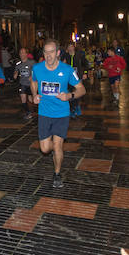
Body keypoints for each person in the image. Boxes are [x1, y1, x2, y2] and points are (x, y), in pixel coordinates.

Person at [31, 39, 86, 188]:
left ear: (58, 53)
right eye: (46, 52)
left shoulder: (67, 70)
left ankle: (57, 174)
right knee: (44, 148)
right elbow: (34, 81)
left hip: (61, 114)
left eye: (51, 52)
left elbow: (82, 89)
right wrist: (34, 94)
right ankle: (54, 158)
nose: (48, 55)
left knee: (57, 146)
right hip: (44, 113)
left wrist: (69, 96)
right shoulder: (37, 68)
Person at [63, 42, 87, 116]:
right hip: (69, 77)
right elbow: (62, 65)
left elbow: (85, 64)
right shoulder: (65, 56)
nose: (70, 48)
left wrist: (85, 73)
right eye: (69, 47)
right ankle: (73, 108)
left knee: (77, 92)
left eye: (71, 46)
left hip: (78, 76)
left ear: (74, 47)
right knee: (70, 92)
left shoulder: (80, 55)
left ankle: (76, 107)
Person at [15, 47, 36, 120]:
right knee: (23, 99)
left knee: (31, 100)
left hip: (31, 84)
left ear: (27, 54)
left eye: (24, 52)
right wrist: (15, 74)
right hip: (22, 83)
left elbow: (36, 70)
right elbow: (16, 70)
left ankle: (33, 111)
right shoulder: (18, 63)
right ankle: (28, 113)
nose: (22, 54)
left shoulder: (32, 62)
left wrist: (32, 76)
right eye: (21, 53)